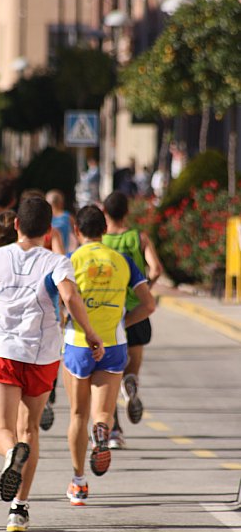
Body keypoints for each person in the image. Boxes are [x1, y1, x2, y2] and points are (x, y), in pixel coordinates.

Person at [0, 195, 104, 531]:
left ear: (15, 225)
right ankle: (19, 507)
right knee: (30, 430)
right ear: (48, 229)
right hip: (42, 355)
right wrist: (91, 332)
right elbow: (70, 297)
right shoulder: (57, 261)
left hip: (1, 350)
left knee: (3, 431)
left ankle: (10, 456)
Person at [64, 205, 155, 505]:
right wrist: (123, 322)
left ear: (77, 231)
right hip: (114, 343)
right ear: (104, 231)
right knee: (101, 412)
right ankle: (102, 431)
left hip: (78, 342)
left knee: (78, 414)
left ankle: (78, 483)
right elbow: (148, 305)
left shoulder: (69, 260)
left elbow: (59, 302)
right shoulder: (123, 261)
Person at [102, 191, 163, 449]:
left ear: (105, 213)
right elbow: (156, 268)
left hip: (109, 311)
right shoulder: (139, 237)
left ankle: (115, 431)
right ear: (127, 212)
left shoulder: (100, 241)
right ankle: (132, 384)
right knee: (131, 368)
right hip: (137, 310)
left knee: (108, 375)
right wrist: (144, 288)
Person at [45, 189, 75, 254]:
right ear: (61, 202)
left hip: (46, 256)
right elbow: (77, 235)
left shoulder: (44, 218)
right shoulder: (68, 217)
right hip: (63, 254)